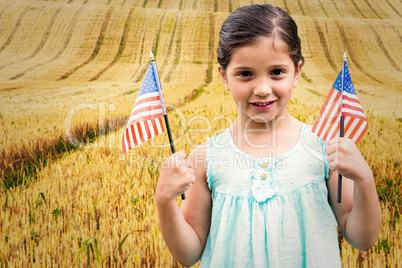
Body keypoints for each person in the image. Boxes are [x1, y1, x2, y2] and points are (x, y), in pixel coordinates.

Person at [155, 4, 381, 267]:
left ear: (297, 72)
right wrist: (165, 200)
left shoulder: (325, 149)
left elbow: (362, 239)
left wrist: (364, 178)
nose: (262, 89)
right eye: (245, 74)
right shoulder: (207, 158)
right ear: (224, 76)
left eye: (276, 72)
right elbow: (188, 254)